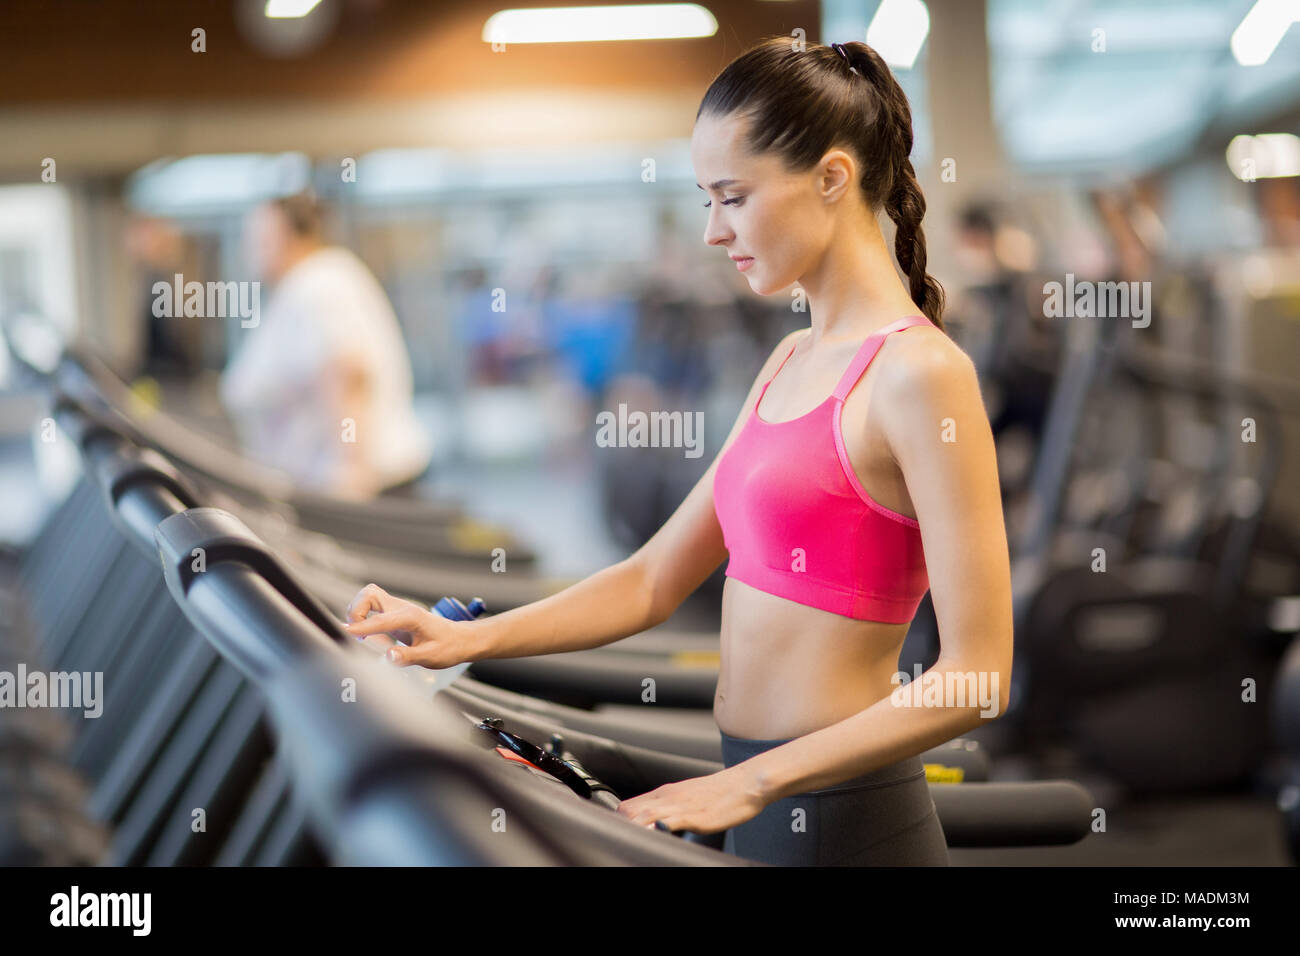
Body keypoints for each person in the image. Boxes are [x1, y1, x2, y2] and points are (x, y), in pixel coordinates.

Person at [342, 37, 1013, 866]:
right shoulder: (789, 362)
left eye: (731, 197)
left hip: (847, 824)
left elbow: (979, 676)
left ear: (833, 178)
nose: (711, 231)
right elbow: (652, 580)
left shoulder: (922, 376)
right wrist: (461, 641)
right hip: (749, 798)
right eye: (706, 200)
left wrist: (757, 784)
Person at [219, 191, 432, 499]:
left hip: (361, 494)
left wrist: (352, 471)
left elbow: (347, 370)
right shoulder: (304, 284)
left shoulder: (318, 284)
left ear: (288, 235)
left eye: (257, 237)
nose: (249, 249)